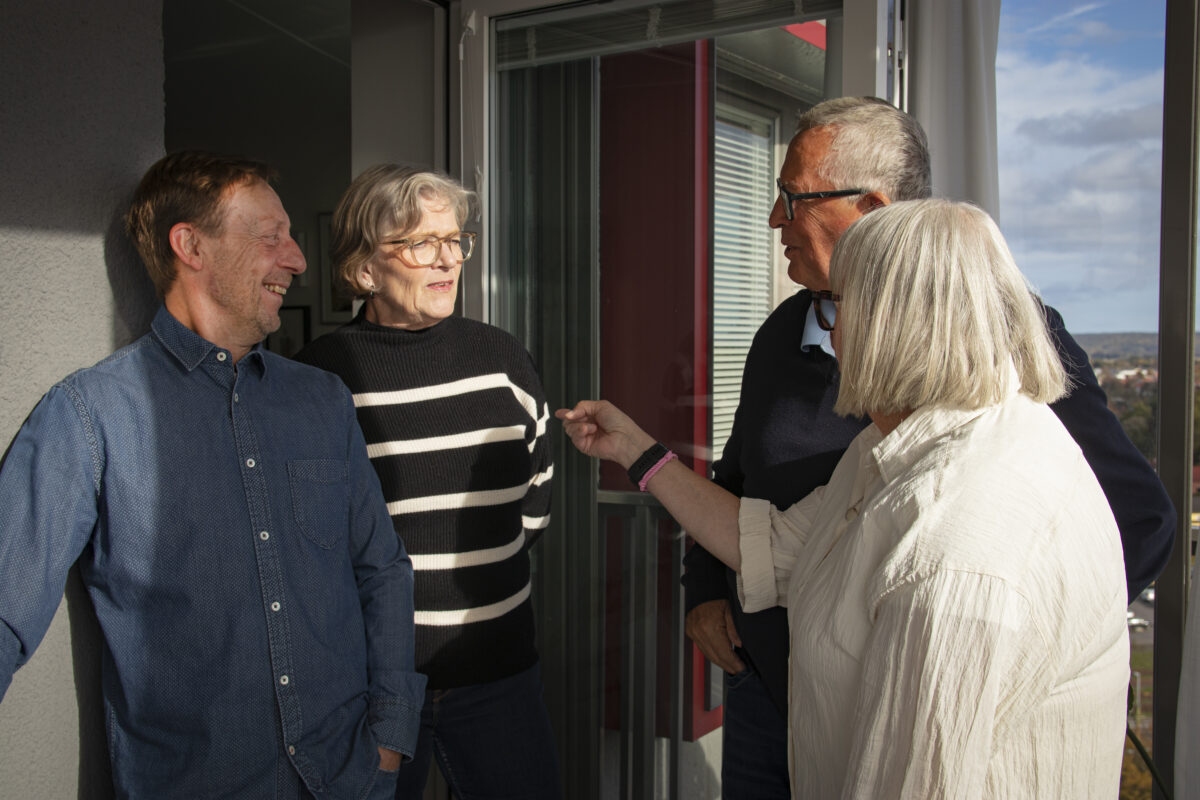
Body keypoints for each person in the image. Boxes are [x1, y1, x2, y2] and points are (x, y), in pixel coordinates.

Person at [682, 96, 1176, 798]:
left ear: (874, 206)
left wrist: (999, 658)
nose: (773, 221)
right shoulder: (780, 334)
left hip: (898, 711)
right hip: (768, 693)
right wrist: (704, 590)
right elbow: (741, 481)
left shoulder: (991, 328)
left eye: (792, 199)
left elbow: (1133, 517)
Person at [560, 198, 1131, 798]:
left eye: (839, 308)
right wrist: (638, 452)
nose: (830, 334)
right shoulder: (905, 447)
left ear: (893, 327)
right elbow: (773, 545)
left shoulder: (951, 555)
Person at [0, 151, 425, 799]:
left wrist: (388, 746)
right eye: (270, 237)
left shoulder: (322, 400)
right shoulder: (90, 416)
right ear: (191, 245)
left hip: (347, 778)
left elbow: (382, 570)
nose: (298, 260)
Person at [294, 165, 561, 800]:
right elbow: (309, 539)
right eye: (420, 243)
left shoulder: (501, 358)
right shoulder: (318, 379)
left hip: (499, 674)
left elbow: (536, 499)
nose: (447, 259)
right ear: (363, 269)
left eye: (455, 239)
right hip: (368, 689)